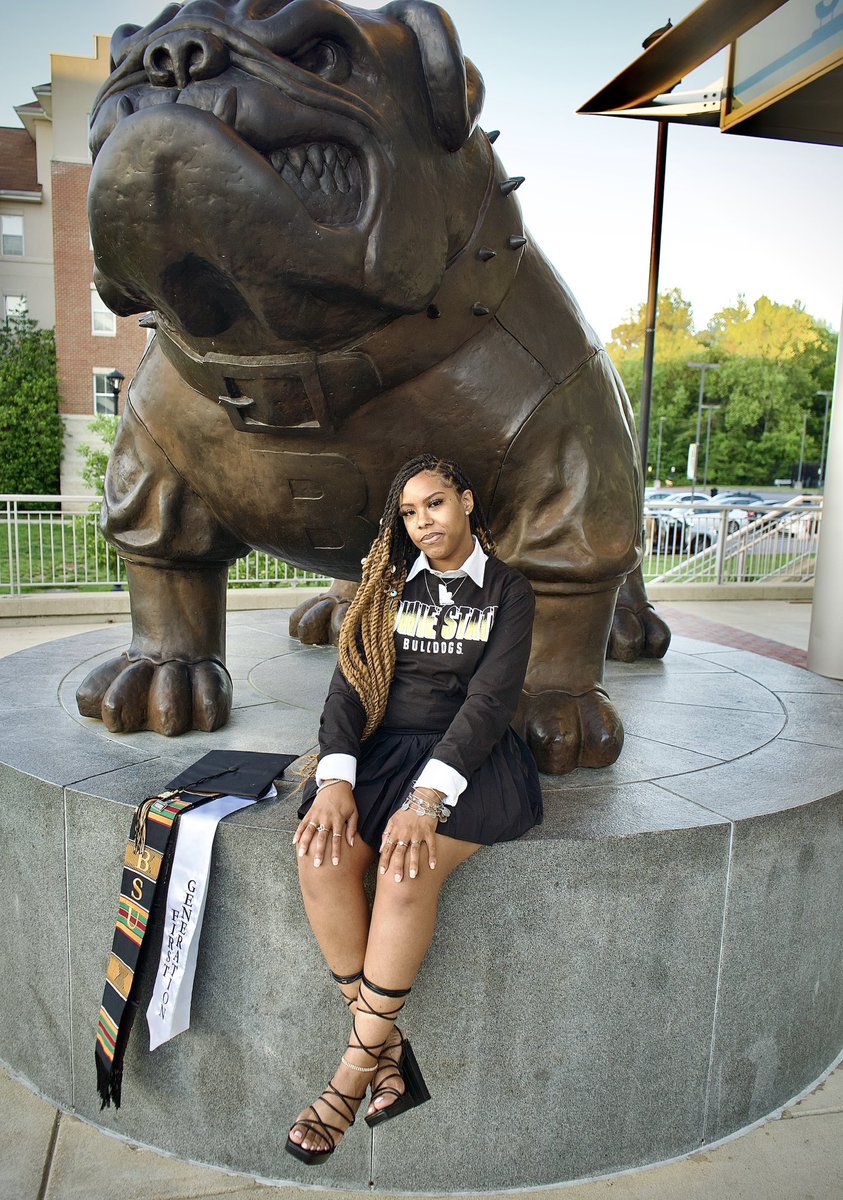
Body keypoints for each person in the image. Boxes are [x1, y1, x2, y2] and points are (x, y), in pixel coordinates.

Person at [286, 453, 543, 1165]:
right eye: (408, 512)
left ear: (464, 501)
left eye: (434, 504)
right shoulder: (388, 587)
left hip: (469, 761)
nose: (422, 521)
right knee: (320, 852)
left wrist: (426, 800)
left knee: (405, 870)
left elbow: (489, 704)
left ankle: (348, 1079)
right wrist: (336, 780)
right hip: (381, 752)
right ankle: (390, 1056)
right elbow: (346, 689)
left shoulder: (508, 592)